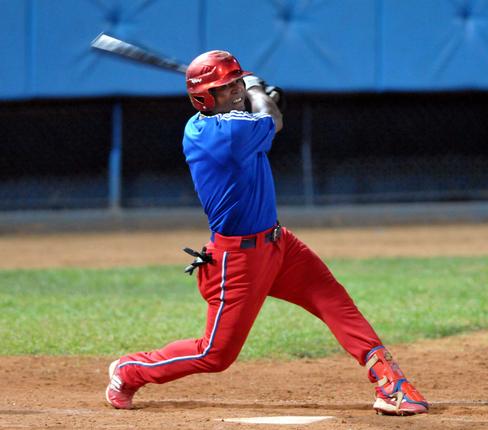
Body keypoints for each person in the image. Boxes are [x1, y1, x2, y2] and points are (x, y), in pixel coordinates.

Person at [104, 50, 429, 416]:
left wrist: (258, 93)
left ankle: (390, 382)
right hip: (237, 260)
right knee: (215, 355)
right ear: (203, 98)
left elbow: (261, 111)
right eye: (226, 88)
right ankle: (130, 371)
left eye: (237, 83)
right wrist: (259, 89)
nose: (236, 91)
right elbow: (271, 119)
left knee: (335, 303)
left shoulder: (234, 119)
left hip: (280, 244)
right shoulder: (219, 134)